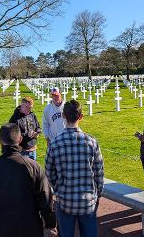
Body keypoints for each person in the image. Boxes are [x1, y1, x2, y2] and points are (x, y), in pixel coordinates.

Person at [0, 123, 56, 237]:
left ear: (0, 141)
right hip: (30, 227)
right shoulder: (33, 166)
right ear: (20, 139)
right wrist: (50, 224)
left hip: (3, 227)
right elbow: (45, 198)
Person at [45, 100, 104, 237]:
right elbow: (99, 173)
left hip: (65, 200)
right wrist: (97, 195)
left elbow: (49, 172)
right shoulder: (92, 142)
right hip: (87, 200)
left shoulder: (54, 143)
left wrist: (58, 188)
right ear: (81, 117)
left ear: (63, 116)